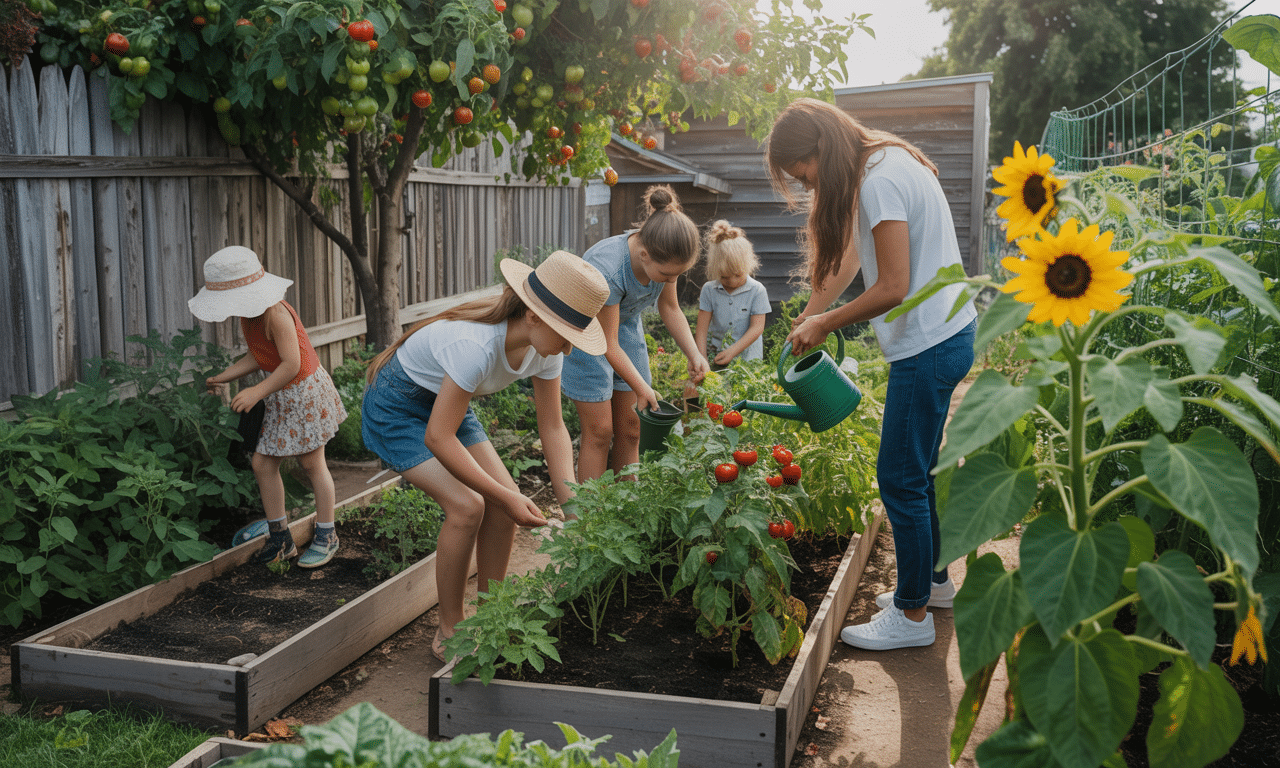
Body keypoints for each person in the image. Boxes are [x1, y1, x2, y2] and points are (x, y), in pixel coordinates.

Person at [765, 98, 977, 651]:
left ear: (819, 150)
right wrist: (812, 314)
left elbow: (893, 286)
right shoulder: (884, 162)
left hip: (927, 345)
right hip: (949, 333)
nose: (809, 189)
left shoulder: (879, 180)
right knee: (920, 471)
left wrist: (827, 321)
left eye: (804, 176)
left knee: (899, 478)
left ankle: (910, 618)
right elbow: (853, 262)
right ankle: (931, 585)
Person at [360, 250, 610, 662]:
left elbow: (553, 428)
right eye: (567, 336)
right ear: (533, 316)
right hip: (398, 408)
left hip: (447, 405)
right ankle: (450, 628)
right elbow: (439, 438)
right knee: (467, 506)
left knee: (502, 502)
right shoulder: (473, 346)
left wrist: (574, 509)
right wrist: (507, 495)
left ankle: (491, 616)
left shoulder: (546, 351)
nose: (569, 350)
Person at [190, 245, 348, 569]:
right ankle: (281, 538)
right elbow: (260, 355)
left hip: (303, 394)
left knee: (311, 463)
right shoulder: (250, 317)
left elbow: (291, 364)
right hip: (280, 397)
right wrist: (224, 376)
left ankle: (327, 533)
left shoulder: (275, 314)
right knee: (263, 463)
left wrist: (254, 393)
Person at [561, 185, 711, 481]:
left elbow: (670, 308)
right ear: (644, 255)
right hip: (586, 337)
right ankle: (590, 519)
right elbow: (607, 342)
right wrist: (642, 386)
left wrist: (695, 353)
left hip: (623, 330)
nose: (671, 281)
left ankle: (626, 508)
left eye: (676, 276)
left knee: (632, 427)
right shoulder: (609, 269)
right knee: (600, 432)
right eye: (667, 276)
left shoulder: (663, 256)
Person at [694, 220, 771, 369]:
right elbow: (702, 330)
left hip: (749, 361)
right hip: (716, 356)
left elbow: (757, 328)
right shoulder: (709, 290)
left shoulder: (757, 290)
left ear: (747, 266)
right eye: (724, 277)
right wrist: (701, 358)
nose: (732, 281)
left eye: (737, 275)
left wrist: (732, 352)